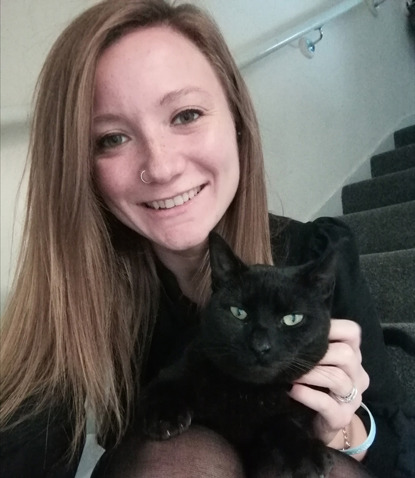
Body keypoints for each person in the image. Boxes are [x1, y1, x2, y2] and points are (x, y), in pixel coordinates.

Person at [0, 1, 413, 477]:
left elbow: (395, 443)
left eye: (186, 114)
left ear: (236, 120)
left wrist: (348, 430)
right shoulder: (81, 293)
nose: (161, 166)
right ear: (80, 168)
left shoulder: (317, 255)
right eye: (111, 138)